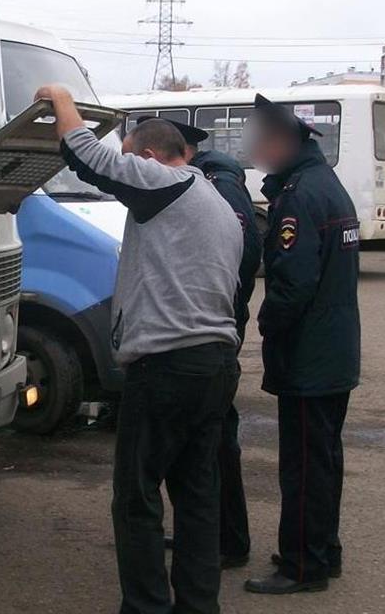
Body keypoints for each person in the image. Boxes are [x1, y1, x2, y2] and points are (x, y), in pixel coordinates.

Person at [35, 85, 243, 614]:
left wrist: (60, 97)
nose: (128, 180)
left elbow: (87, 156)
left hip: (168, 366)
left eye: (133, 166)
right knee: (197, 498)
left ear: (149, 159)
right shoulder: (215, 203)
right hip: (215, 365)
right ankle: (198, 606)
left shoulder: (166, 183)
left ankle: (146, 607)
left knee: (137, 497)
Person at [241, 94, 361, 596]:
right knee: (323, 460)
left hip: (311, 356)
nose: (256, 150)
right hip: (333, 351)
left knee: (305, 466)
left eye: (262, 141)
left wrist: (265, 322)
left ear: (285, 143)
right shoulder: (325, 185)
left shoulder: (298, 197)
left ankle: (303, 566)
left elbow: (292, 283)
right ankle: (322, 551)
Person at [169, 119, 262, 568]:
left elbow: (243, 254)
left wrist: (223, 306)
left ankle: (227, 540)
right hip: (221, 324)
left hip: (214, 329)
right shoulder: (221, 181)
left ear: (181, 153)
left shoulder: (217, 187)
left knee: (215, 436)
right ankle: (209, 534)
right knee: (210, 434)